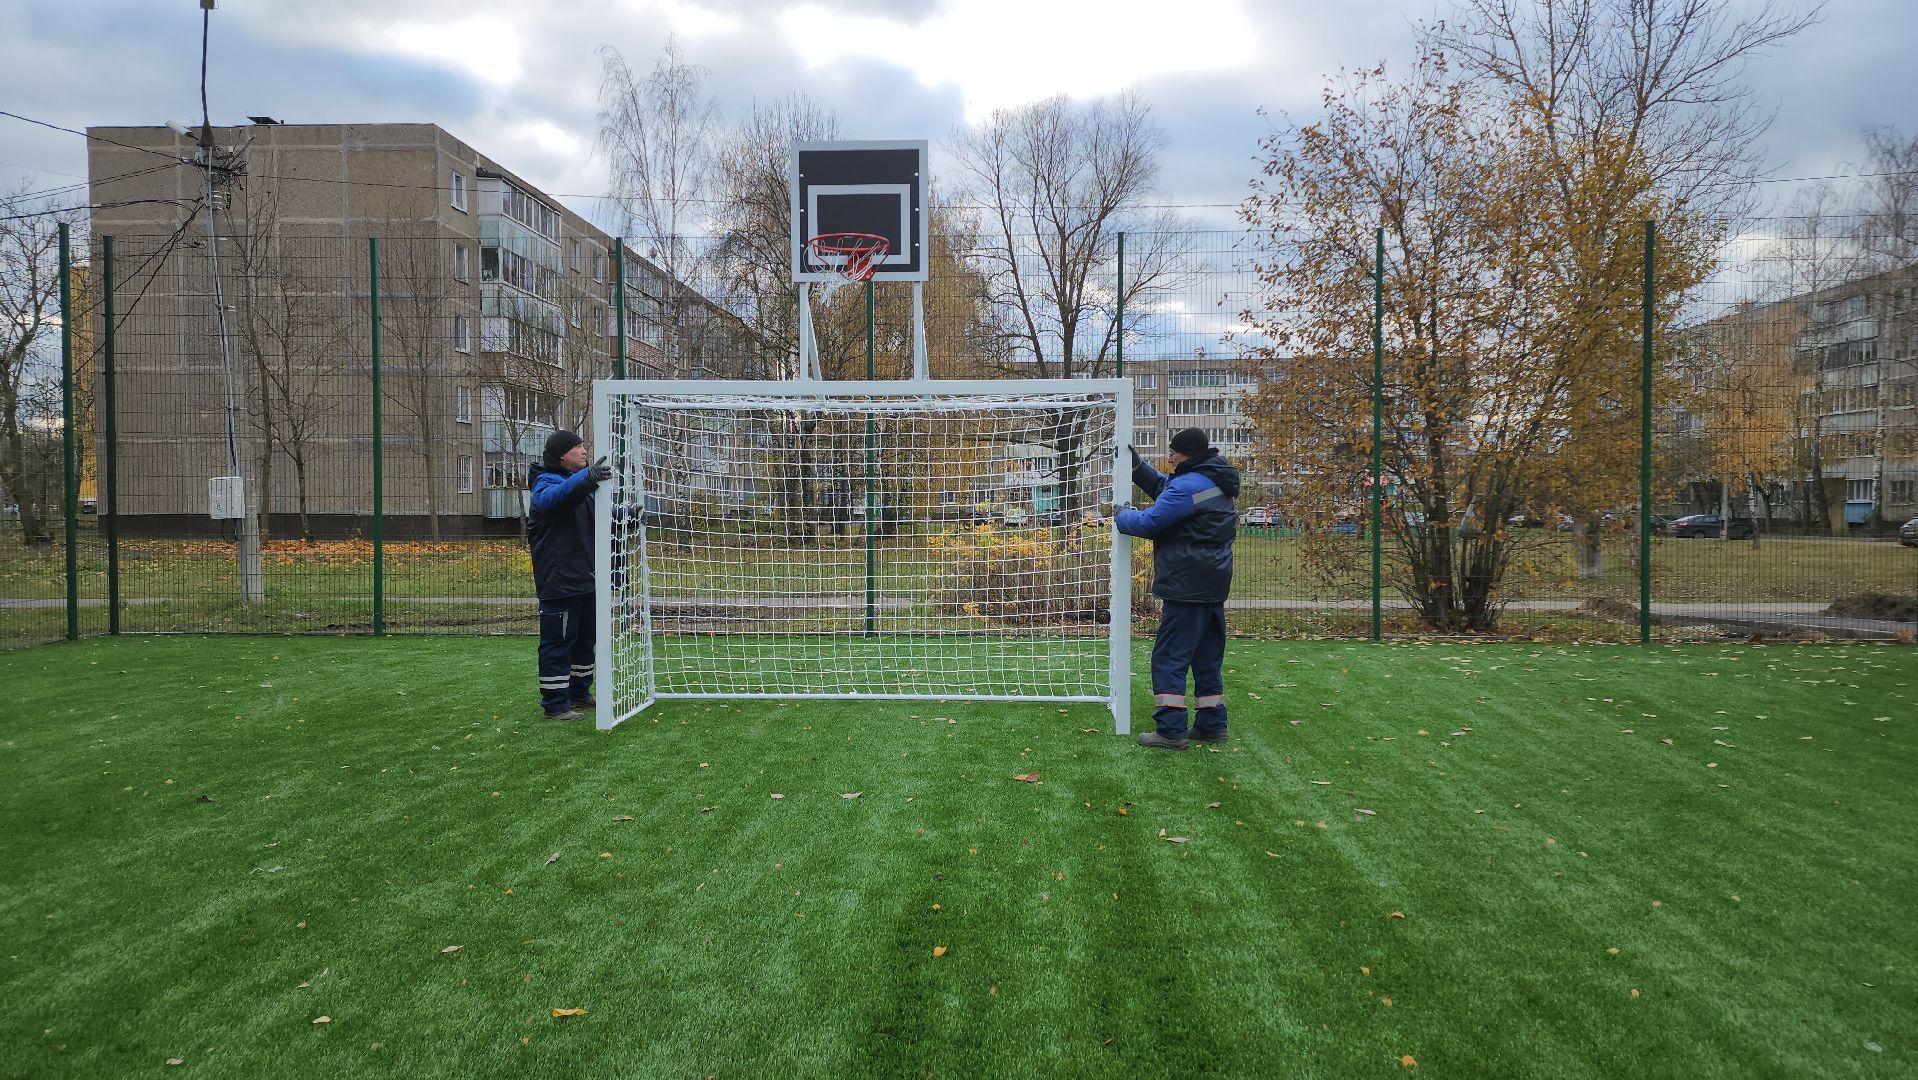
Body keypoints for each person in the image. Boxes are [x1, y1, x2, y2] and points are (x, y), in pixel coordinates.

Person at [1111, 427, 1241, 750]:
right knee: (1206, 656)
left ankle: (1170, 729)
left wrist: (1122, 516)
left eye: (1174, 452)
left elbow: (1153, 520)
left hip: (1187, 586)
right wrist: (1138, 470)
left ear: (1190, 454)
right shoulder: (1211, 480)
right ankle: (1212, 724)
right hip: (1212, 583)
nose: (1169, 457)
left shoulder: (1189, 486)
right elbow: (1166, 489)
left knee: (1169, 656)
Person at [527, 430, 612, 721]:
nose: (585, 450)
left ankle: (578, 691)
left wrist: (627, 514)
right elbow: (551, 500)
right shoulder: (545, 482)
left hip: (586, 578)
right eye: (578, 447)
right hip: (560, 580)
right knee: (558, 642)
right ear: (562, 455)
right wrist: (586, 478)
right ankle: (554, 704)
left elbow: (597, 518)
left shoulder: (578, 486)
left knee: (585, 639)